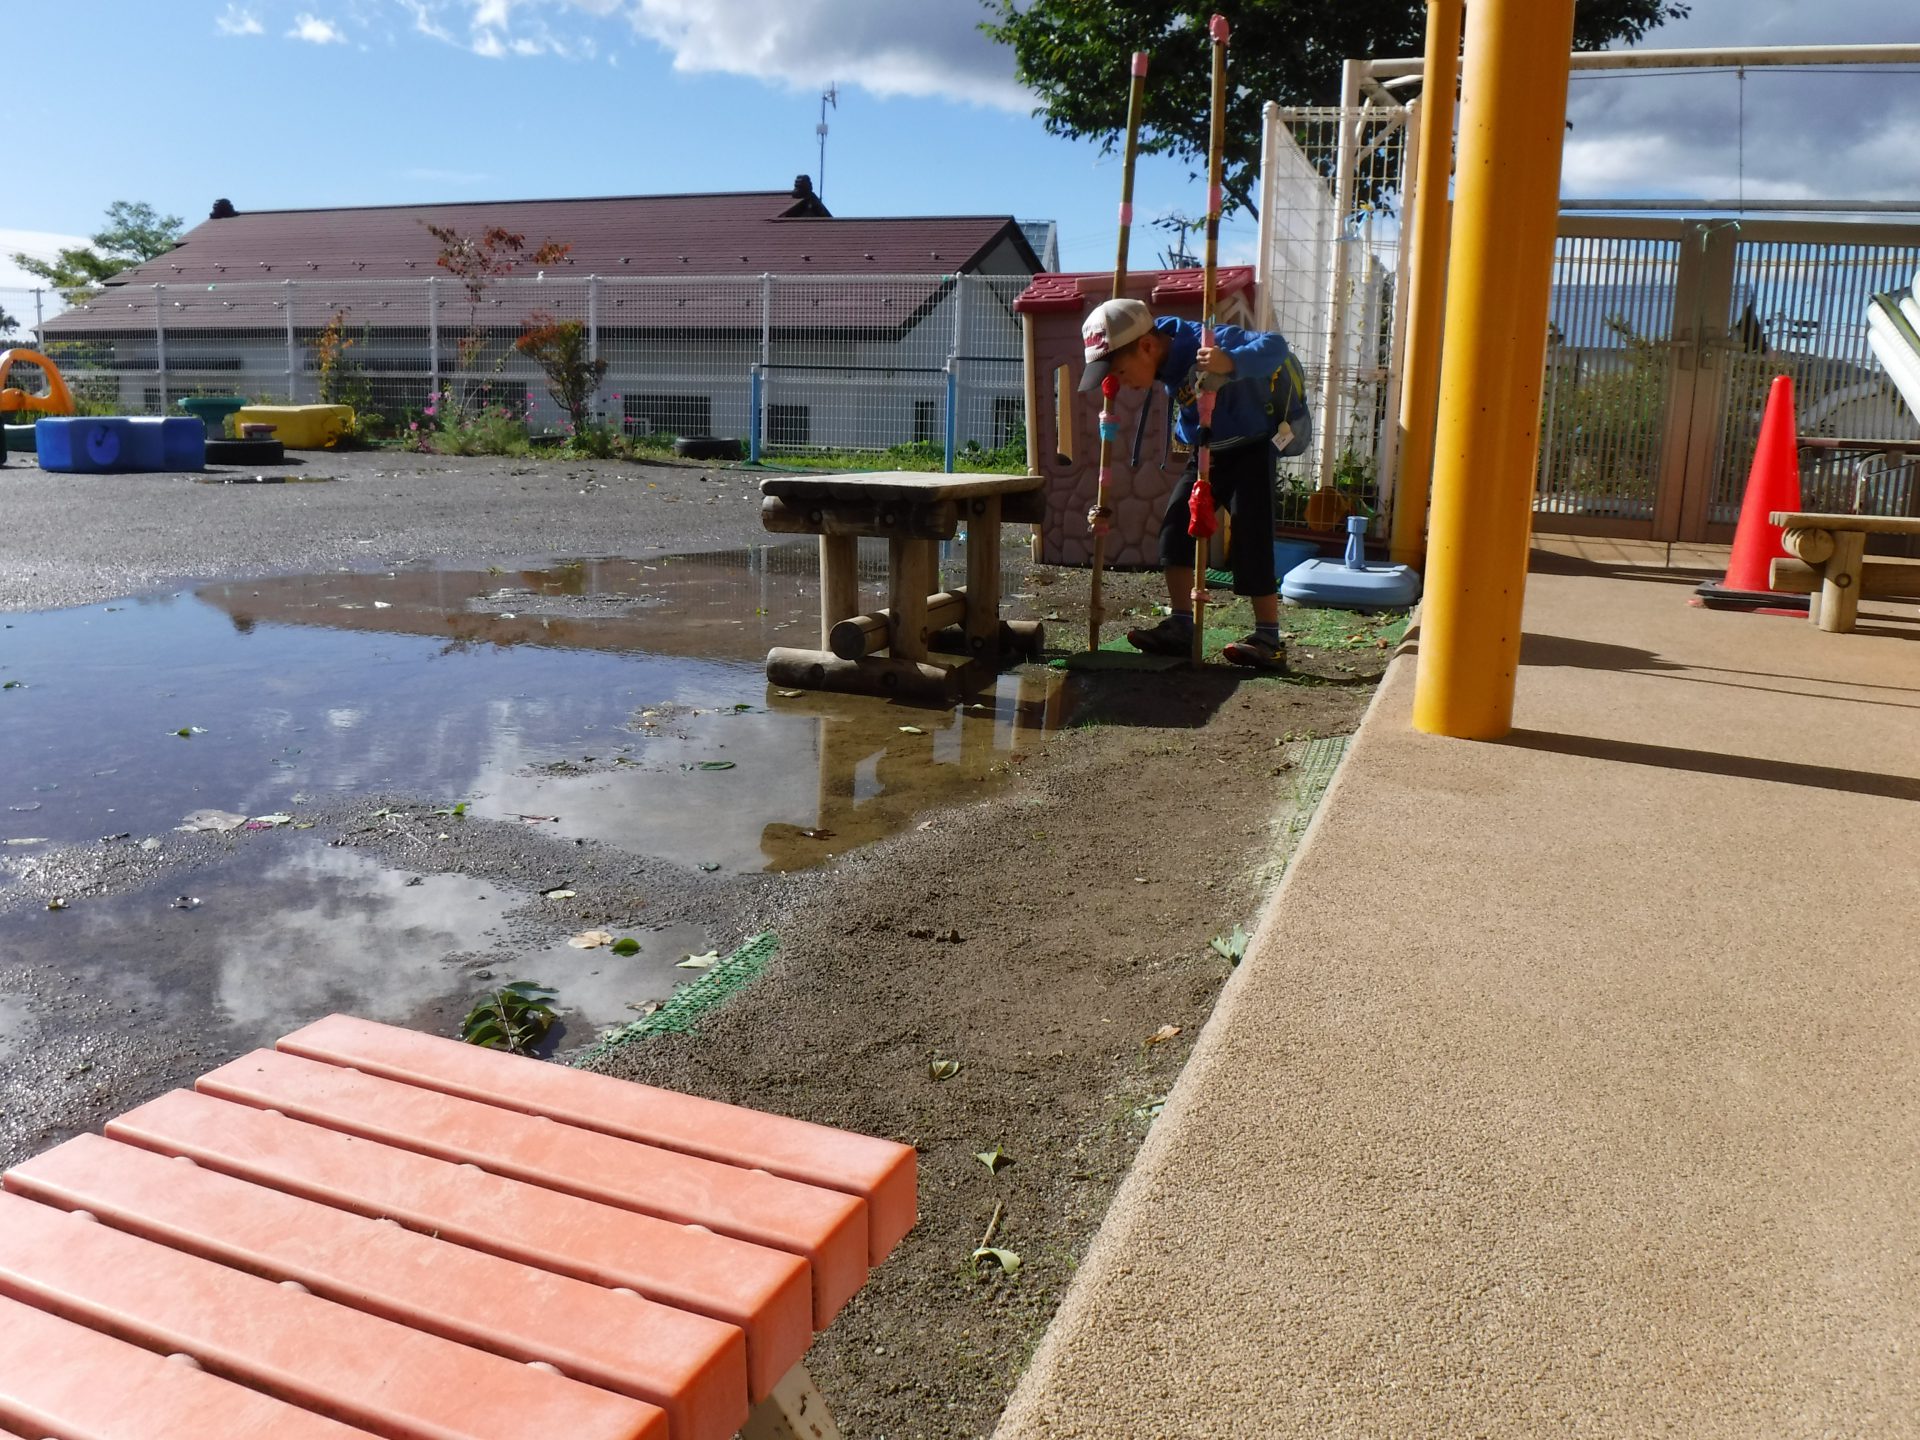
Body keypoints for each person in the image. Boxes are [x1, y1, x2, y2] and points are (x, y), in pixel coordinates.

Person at [1079, 297, 1311, 668]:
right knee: (1175, 528)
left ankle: (1269, 638)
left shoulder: (1208, 341)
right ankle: (1181, 627)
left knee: (1252, 535)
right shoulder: (1160, 358)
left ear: (1147, 346)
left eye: (1120, 372)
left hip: (1252, 448)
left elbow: (1275, 347)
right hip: (1207, 451)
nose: (1119, 384)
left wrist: (1229, 362)